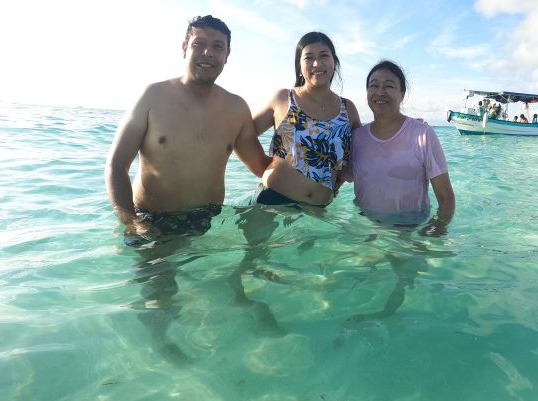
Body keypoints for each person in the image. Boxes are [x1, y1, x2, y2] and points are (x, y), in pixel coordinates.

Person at [105, 15, 271, 240]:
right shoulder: (153, 97)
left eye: (217, 46)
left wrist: (310, 174)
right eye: (199, 44)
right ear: (185, 48)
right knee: (158, 275)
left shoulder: (236, 108)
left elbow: (261, 165)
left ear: (227, 55)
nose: (208, 53)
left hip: (206, 219)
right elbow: (116, 165)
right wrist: (131, 221)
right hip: (152, 220)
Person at [253, 32, 361, 206]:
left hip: (318, 213)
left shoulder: (348, 109)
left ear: (335, 61)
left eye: (324, 56)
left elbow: (369, 149)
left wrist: (404, 126)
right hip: (272, 203)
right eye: (309, 57)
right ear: (299, 65)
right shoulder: (284, 98)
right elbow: (242, 135)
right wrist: (261, 166)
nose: (317, 63)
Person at [349, 60, 455, 236]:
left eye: (389, 86)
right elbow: (339, 177)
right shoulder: (356, 138)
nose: (380, 92)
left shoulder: (422, 135)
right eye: (373, 85)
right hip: (366, 228)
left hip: (409, 230)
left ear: (402, 94)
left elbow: (446, 199)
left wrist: (433, 233)